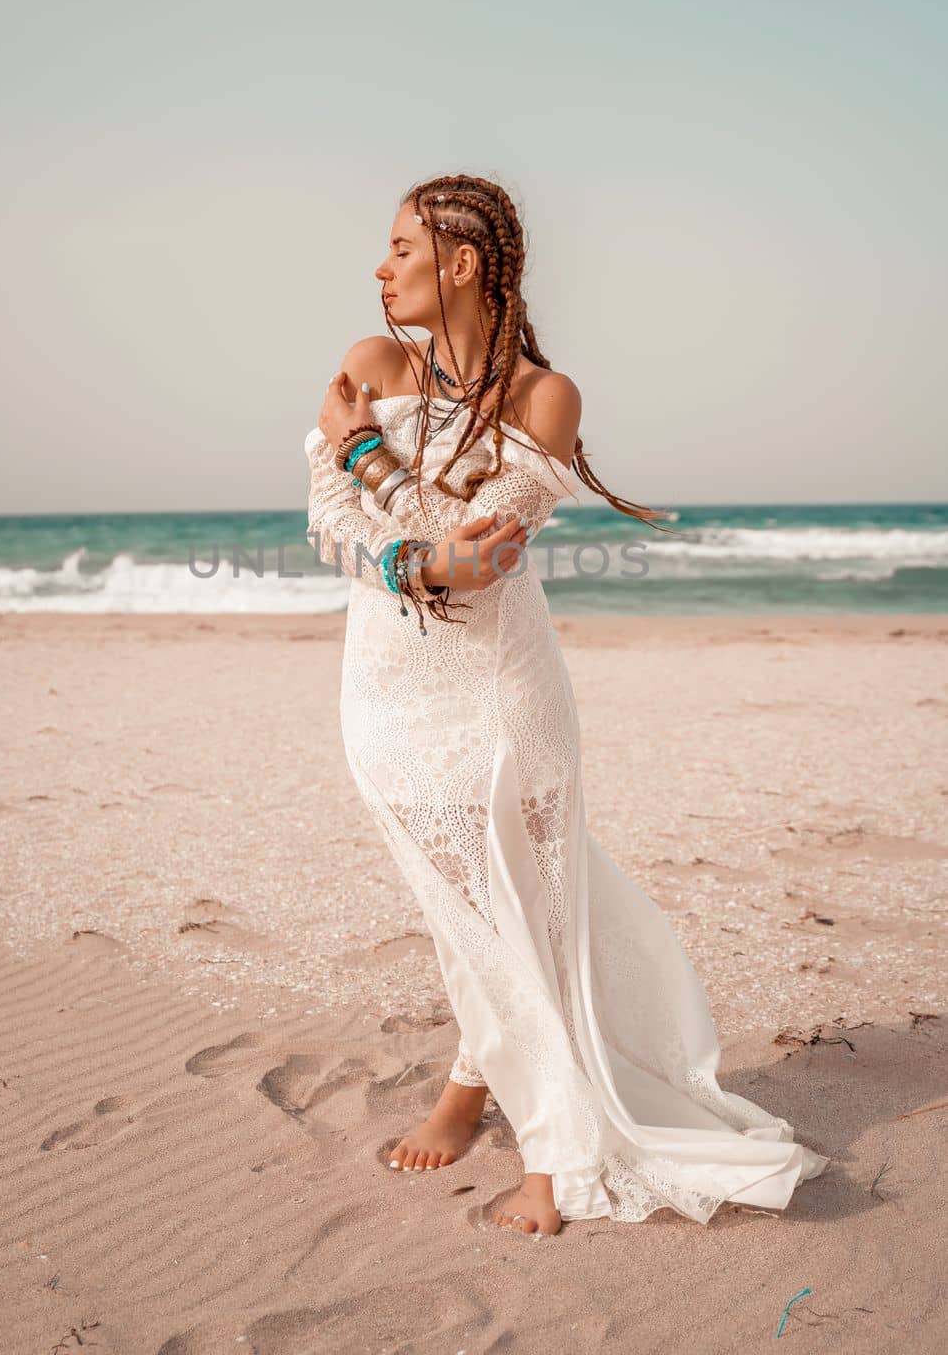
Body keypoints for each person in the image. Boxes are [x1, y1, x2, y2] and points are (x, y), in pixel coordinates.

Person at [303, 174, 830, 1236]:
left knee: (527, 901)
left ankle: (550, 1146)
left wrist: (376, 470)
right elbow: (330, 525)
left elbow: (478, 567)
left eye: (399, 246)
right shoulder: (364, 364)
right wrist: (409, 544)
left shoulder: (545, 398)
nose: (378, 265)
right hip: (384, 687)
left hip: (500, 685)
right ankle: (473, 1077)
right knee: (455, 896)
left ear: (459, 263)